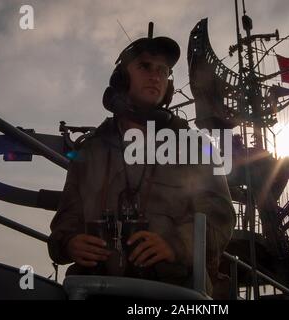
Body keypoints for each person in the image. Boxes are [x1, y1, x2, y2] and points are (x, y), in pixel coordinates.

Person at [47, 33, 236, 297]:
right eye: (145, 66)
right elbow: (65, 221)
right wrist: (70, 243)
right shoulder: (90, 151)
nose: (156, 76)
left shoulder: (196, 147)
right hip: (96, 289)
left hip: (175, 290)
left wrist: (175, 245)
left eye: (163, 71)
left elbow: (221, 217)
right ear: (122, 79)